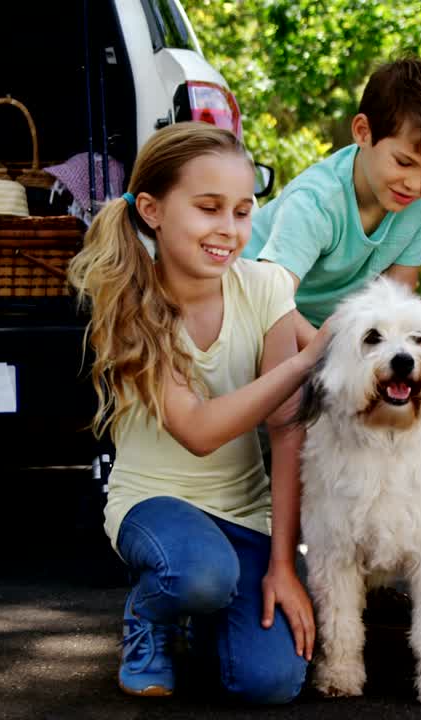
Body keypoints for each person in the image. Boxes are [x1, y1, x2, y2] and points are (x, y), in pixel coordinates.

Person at [67, 122, 331, 703]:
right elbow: (198, 431)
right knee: (199, 575)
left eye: (242, 211)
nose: (229, 230)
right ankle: (152, 613)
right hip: (154, 507)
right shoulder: (129, 304)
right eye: (208, 208)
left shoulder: (263, 288)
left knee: (273, 684)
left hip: (244, 516)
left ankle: (208, 613)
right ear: (152, 210)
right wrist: (305, 360)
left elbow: (287, 433)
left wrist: (284, 565)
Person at [243, 55, 421, 349]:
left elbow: (397, 291)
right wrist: (334, 356)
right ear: (363, 132)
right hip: (250, 309)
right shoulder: (317, 201)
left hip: (322, 327)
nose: (415, 183)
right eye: (403, 162)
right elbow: (269, 300)